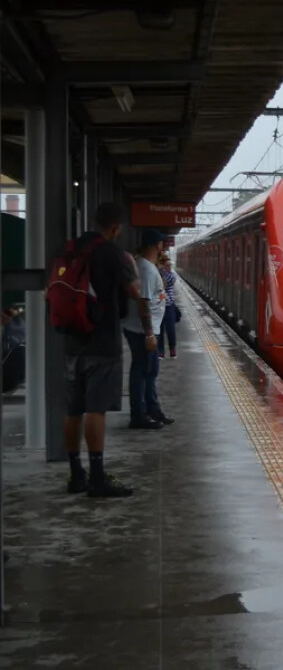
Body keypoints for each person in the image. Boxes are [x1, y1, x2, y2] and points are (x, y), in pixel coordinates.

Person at [61, 202, 151, 498]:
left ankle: (76, 474)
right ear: (115, 227)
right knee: (95, 409)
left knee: (73, 409)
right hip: (102, 341)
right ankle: (98, 476)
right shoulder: (112, 252)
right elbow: (134, 291)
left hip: (74, 340)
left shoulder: (73, 247)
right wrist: (133, 267)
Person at [122, 230, 175, 429]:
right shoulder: (145, 269)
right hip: (141, 330)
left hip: (146, 329)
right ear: (156, 245)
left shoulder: (147, 266)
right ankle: (138, 415)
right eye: (162, 243)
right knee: (141, 372)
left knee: (150, 371)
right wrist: (149, 334)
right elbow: (143, 304)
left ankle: (153, 409)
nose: (163, 247)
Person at [157, 254, 179, 358]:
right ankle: (161, 351)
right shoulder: (159, 272)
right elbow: (160, 285)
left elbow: (167, 282)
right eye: (167, 265)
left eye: (170, 265)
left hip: (169, 305)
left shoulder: (171, 275)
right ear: (162, 264)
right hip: (159, 305)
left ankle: (172, 348)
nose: (169, 267)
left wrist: (164, 272)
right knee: (160, 329)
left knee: (171, 329)